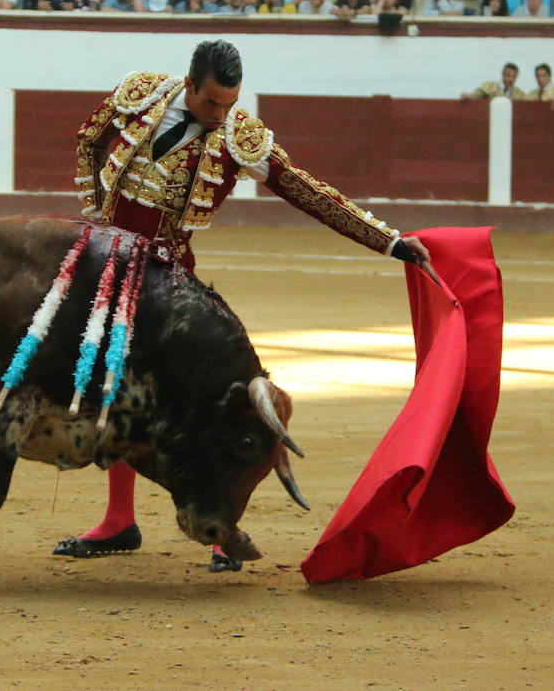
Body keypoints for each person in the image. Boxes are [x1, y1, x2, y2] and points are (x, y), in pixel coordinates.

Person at [61, 41, 430, 571]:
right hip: (110, 268)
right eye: (212, 103)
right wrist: (95, 212)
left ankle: (219, 529)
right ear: (189, 85)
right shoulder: (139, 93)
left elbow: (306, 190)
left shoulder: (239, 137)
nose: (222, 115)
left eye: (229, 104)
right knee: (115, 389)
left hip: (170, 285)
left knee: (201, 405)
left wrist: (388, 241)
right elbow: (89, 138)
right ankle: (120, 520)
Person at [461, 62, 527, 100]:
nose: (511, 79)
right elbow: (476, 95)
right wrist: (467, 96)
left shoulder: (520, 94)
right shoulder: (489, 86)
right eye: (508, 75)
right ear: (502, 74)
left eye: (514, 77)